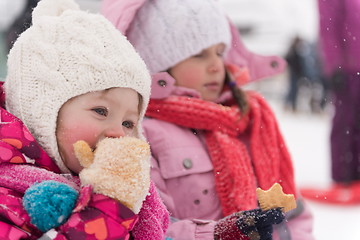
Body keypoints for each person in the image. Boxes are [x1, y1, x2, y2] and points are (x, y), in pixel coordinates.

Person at [102, 0, 315, 239]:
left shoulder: (247, 119)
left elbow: (293, 214)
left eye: (220, 52)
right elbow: (149, 226)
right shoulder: (140, 134)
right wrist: (218, 234)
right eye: (199, 55)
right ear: (157, 63)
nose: (216, 66)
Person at [0, 0, 169, 239]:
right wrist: (110, 208)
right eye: (101, 111)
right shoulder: (7, 196)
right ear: (40, 116)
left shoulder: (137, 196)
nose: (119, 134)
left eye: (128, 123)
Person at [300, 0, 360, 204]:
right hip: (349, 68)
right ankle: (344, 176)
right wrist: (335, 65)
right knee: (346, 121)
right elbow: (328, 27)